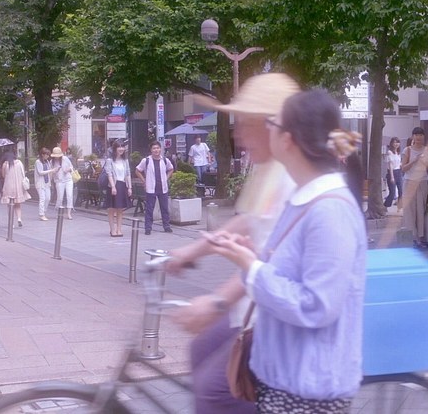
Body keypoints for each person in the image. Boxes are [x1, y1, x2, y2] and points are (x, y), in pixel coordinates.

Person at [197, 89, 366, 412]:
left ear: (288, 139)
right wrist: (251, 259)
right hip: (283, 378)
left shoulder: (330, 211)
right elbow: (286, 276)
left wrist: (253, 267)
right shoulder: (303, 198)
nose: (265, 128)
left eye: (272, 122)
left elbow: (317, 305)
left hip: (307, 392)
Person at [167, 73, 300, 414]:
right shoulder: (268, 168)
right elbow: (249, 219)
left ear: (273, 126)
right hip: (256, 308)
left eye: (245, 124)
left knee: (214, 391)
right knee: (200, 351)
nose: (237, 135)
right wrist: (192, 251)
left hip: (278, 317)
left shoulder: (292, 177)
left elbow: (269, 260)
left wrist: (216, 301)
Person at [401, 126, 428, 248]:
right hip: (409, 181)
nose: (418, 137)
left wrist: (424, 163)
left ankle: (420, 238)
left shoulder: (427, 150)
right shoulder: (407, 150)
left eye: (420, 135)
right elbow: (403, 168)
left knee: (420, 209)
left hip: (422, 181)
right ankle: (411, 238)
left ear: (424, 137)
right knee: (409, 210)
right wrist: (414, 161)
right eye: (416, 135)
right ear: (412, 137)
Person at [135, 141, 174, 235]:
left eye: (157, 148)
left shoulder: (164, 160)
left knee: (164, 208)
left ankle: (166, 226)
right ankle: (148, 228)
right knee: (149, 209)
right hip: (151, 188)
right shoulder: (146, 160)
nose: (156, 150)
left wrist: (166, 178)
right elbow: (137, 170)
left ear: (160, 149)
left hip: (162, 188)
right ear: (151, 150)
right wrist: (144, 181)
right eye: (154, 148)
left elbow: (171, 169)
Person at [104, 141, 132, 237]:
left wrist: (129, 187)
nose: (121, 149)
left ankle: (119, 229)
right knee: (111, 209)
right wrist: (113, 186)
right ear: (115, 148)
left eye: (122, 147)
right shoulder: (110, 161)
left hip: (122, 185)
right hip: (113, 186)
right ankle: (112, 229)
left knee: (120, 209)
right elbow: (109, 174)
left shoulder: (125, 161)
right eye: (119, 147)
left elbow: (128, 174)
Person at [1, 149, 31, 227]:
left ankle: (12, 224)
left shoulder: (5, 164)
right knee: (18, 205)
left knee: (10, 205)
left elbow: (3, 175)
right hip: (18, 187)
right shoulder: (19, 163)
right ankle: (19, 219)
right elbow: (23, 173)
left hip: (8, 187)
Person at [50, 147, 75, 220]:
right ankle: (59, 212)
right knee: (60, 197)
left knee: (69, 195)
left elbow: (71, 167)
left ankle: (69, 213)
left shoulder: (65, 159)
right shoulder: (52, 162)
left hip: (68, 179)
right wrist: (55, 171)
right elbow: (51, 172)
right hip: (59, 181)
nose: (57, 157)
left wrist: (68, 169)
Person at [34, 148, 58, 221]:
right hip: (40, 183)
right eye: (46, 154)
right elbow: (40, 172)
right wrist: (50, 170)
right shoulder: (38, 162)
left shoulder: (47, 162)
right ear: (42, 154)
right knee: (42, 198)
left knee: (48, 198)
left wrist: (54, 171)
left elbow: (49, 171)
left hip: (47, 183)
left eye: (48, 155)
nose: (47, 156)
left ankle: (44, 212)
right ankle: (41, 214)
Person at [383, 137, 403, 209]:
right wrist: (392, 177)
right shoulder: (390, 152)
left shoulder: (398, 153)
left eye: (397, 142)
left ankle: (399, 206)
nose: (396, 144)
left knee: (401, 191)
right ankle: (385, 206)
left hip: (399, 172)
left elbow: (399, 164)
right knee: (392, 193)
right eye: (394, 142)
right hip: (392, 173)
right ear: (391, 143)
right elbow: (390, 165)